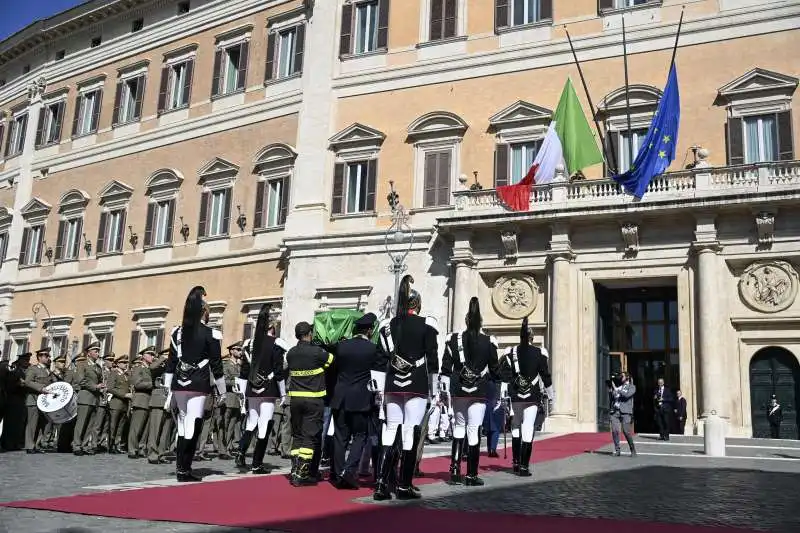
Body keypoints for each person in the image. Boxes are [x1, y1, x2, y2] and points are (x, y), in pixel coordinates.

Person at [373, 275, 438, 501]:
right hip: (417, 383)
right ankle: (403, 486)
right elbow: (432, 359)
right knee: (410, 431)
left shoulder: (386, 327)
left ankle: (381, 484)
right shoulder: (427, 324)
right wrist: (435, 387)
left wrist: (379, 391)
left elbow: (380, 362)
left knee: (390, 431)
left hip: (392, 384)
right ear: (418, 305)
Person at [164, 286, 226, 482]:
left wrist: (168, 388)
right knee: (193, 424)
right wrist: (222, 390)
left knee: (182, 425)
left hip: (178, 384)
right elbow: (216, 365)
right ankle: (185, 469)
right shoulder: (211, 334)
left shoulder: (177, 333)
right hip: (198, 383)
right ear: (204, 313)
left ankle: (180, 467)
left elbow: (171, 362)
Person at [441, 297, 500, 486]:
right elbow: (495, 370)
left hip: (460, 390)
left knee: (459, 428)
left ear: (466, 321)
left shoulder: (453, 339)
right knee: (474, 430)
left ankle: (455, 470)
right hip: (478, 391)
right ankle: (472, 475)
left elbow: (446, 367)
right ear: (481, 322)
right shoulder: (489, 342)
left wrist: (443, 390)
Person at [326, 312, 389, 489]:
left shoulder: (341, 346)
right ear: (369, 330)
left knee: (340, 437)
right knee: (360, 436)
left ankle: (338, 475)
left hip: (340, 397)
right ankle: (348, 471)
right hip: (361, 398)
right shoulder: (373, 349)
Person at [236, 304, 288, 474]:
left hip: (251, 389)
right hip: (268, 389)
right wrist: (282, 392)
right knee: (264, 424)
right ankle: (257, 463)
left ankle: (240, 453)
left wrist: (243, 394)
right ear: (272, 327)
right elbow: (279, 371)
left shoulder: (248, 344)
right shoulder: (276, 343)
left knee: (251, 423)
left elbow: (243, 372)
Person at [499, 317, 554, 477]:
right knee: (528, 426)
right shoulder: (540, 353)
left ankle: (515, 462)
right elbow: (545, 375)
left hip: (516, 394)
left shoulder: (511, 352)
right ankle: (524, 466)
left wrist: (504, 393)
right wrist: (551, 396)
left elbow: (505, 374)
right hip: (532, 395)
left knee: (516, 424)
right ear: (532, 338)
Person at [286, 321, 332, 487]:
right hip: (313, 399)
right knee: (310, 437)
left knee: (297, 436)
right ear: (309, 334)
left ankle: (294, 469)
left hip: (295, 400)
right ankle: (302, 474)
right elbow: (331, 361)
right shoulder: (317, 352)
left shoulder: (290, 353)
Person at [73, 342, 105, 456]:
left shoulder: (98, 367)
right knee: (81, 423)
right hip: (85, 397)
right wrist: (95, 386)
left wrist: (101, 387)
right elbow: (80, 380)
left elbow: (100, 380)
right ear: (89, 352)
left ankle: (84, 445)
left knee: (90, 425)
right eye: (95, 351)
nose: (97, 353)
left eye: (98, 351)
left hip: (94, 399)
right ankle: (76, 445)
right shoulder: (82, 365)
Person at [23, 348, 54, 454]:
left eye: (48, 356)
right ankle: (29, 446)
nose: (48, 358)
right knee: (32, 424)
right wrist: (41, 388)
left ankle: (36, 444)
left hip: (44, 402)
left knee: (42, 424)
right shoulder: (33, 369)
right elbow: (27, 382)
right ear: (40, 357)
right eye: (46, 356)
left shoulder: (48, 371)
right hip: (34, 399)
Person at [609, 371, 637, 457]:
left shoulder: (632, 387)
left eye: (623, 376)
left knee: (626, 431)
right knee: (615, 431)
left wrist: (617, 389)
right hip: (615, 411)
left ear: (627, 378)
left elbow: (627, 395)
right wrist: (612, 391)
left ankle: (632, 449)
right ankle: (617, 450)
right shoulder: (619, 387)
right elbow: (614, 397)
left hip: (625, 412)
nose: (621, 377)